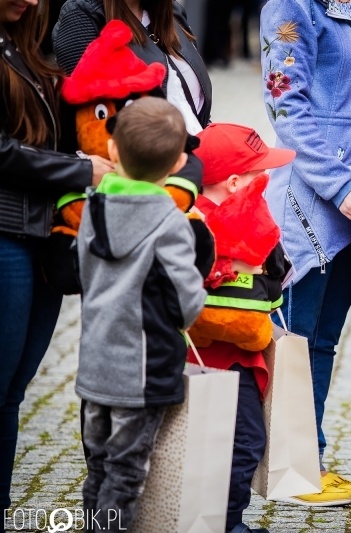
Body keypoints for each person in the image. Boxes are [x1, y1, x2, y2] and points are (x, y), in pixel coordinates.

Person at [260, 0, 351, 505]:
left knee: (323, 342)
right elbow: (286, 108)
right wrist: (338, 185)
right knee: (294, 340)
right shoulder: (292, 7)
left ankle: (307, 460)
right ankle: (289, 466)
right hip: (310, 198)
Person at [0, 0, 112, 516]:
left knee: (14, 389)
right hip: (6, 233)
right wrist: (78, 170)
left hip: (41, 234)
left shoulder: (29, 49)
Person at [76, 98, 206, 532]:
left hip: (96, 364)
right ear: (180, 162)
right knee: (127, 471)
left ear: (112, 150)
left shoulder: (92, 207)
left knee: (98, 465)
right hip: (144, 370)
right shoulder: (170, 223)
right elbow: (186, 302)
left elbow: (83, 271)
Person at [190, 123, 295, 533]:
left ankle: (223, 520)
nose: (266, 179)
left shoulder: (251, 218)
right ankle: (224, 523)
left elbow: (275, 284)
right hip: (208, 359)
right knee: (241, 442)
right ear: (234, 182)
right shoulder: (194, 222)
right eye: (259, 173)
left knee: (239, 441)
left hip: (239, 356)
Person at [52, 0, 211, 190]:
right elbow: (87, 116)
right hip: (143, 177)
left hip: (192, 162)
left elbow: (191, 101)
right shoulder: (82, 14)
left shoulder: (172, 10)